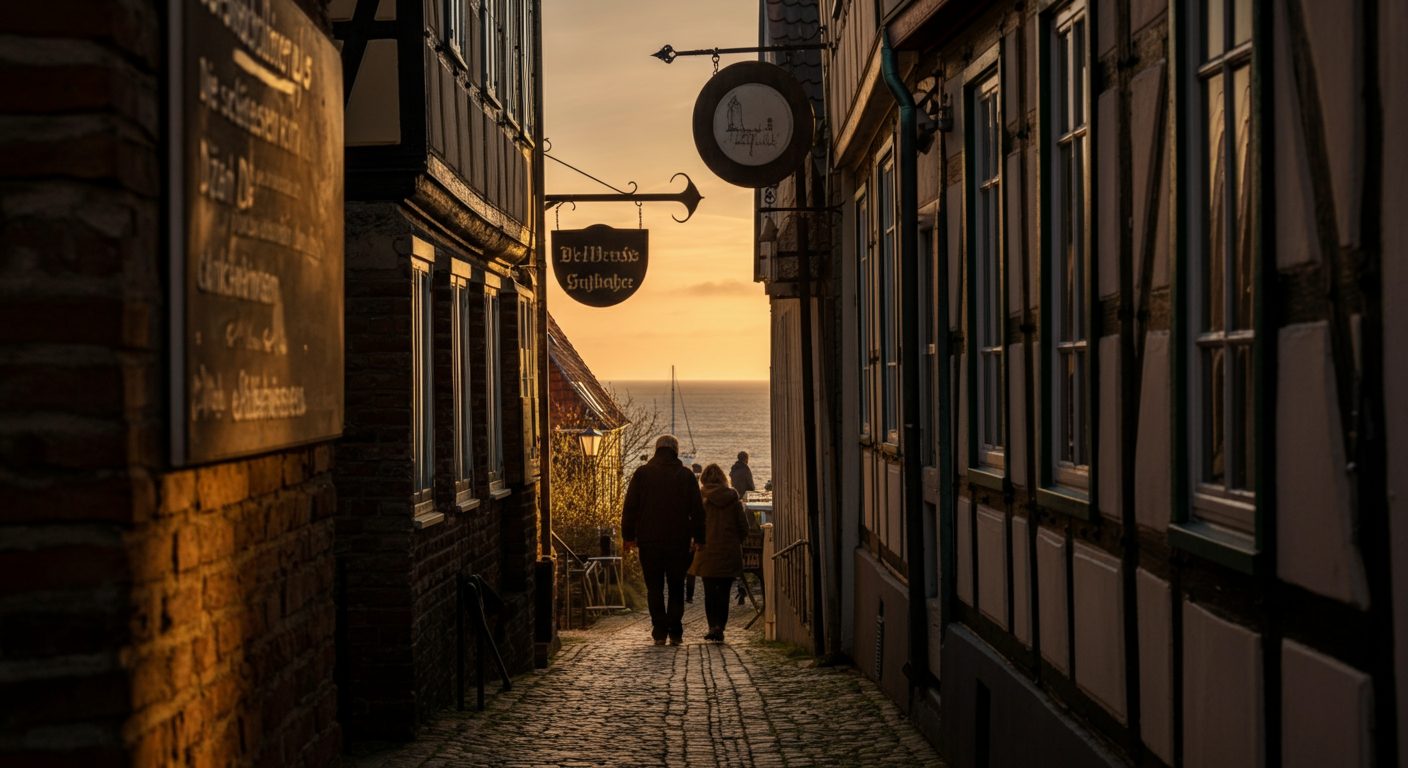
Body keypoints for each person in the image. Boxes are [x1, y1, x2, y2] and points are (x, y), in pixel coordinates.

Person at [622, 435, 706, 646]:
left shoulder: (642, 474)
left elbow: (630, 507)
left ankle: (659, 630)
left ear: (657, 450)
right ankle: (675, 631)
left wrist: (629, 537)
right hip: (678, 540)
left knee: (654, 587)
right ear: (676, 452)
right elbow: (697, 510)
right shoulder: (686, 476)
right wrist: (700, 538)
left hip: (649, 541)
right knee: (677, 586)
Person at [689, 464, 753, 643]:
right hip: (728, 552)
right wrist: (734, 542)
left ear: (704, 479)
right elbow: (744, 527)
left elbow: (693, 524)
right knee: (724, 593)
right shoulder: (733, 499)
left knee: (710, 592)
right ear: (724, 478)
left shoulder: (700, 499)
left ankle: (712, 626)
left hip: (706, 551)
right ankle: (720, 628)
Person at [728, 451, 758, 605]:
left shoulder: (733, 469)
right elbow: (751, 486)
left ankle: (740, 585)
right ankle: (742, 586)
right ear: (746, 459)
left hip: (735, 501)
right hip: (744, 503)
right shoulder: (746, 469)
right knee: (748, 530)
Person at [685, 463, 704, 604]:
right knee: (690, 569)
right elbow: (698, 515)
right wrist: (698, 539)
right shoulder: (695, 493)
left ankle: (685, 594)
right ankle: (689, 596)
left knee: (682, 569)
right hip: (689, 537)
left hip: (681, 537)